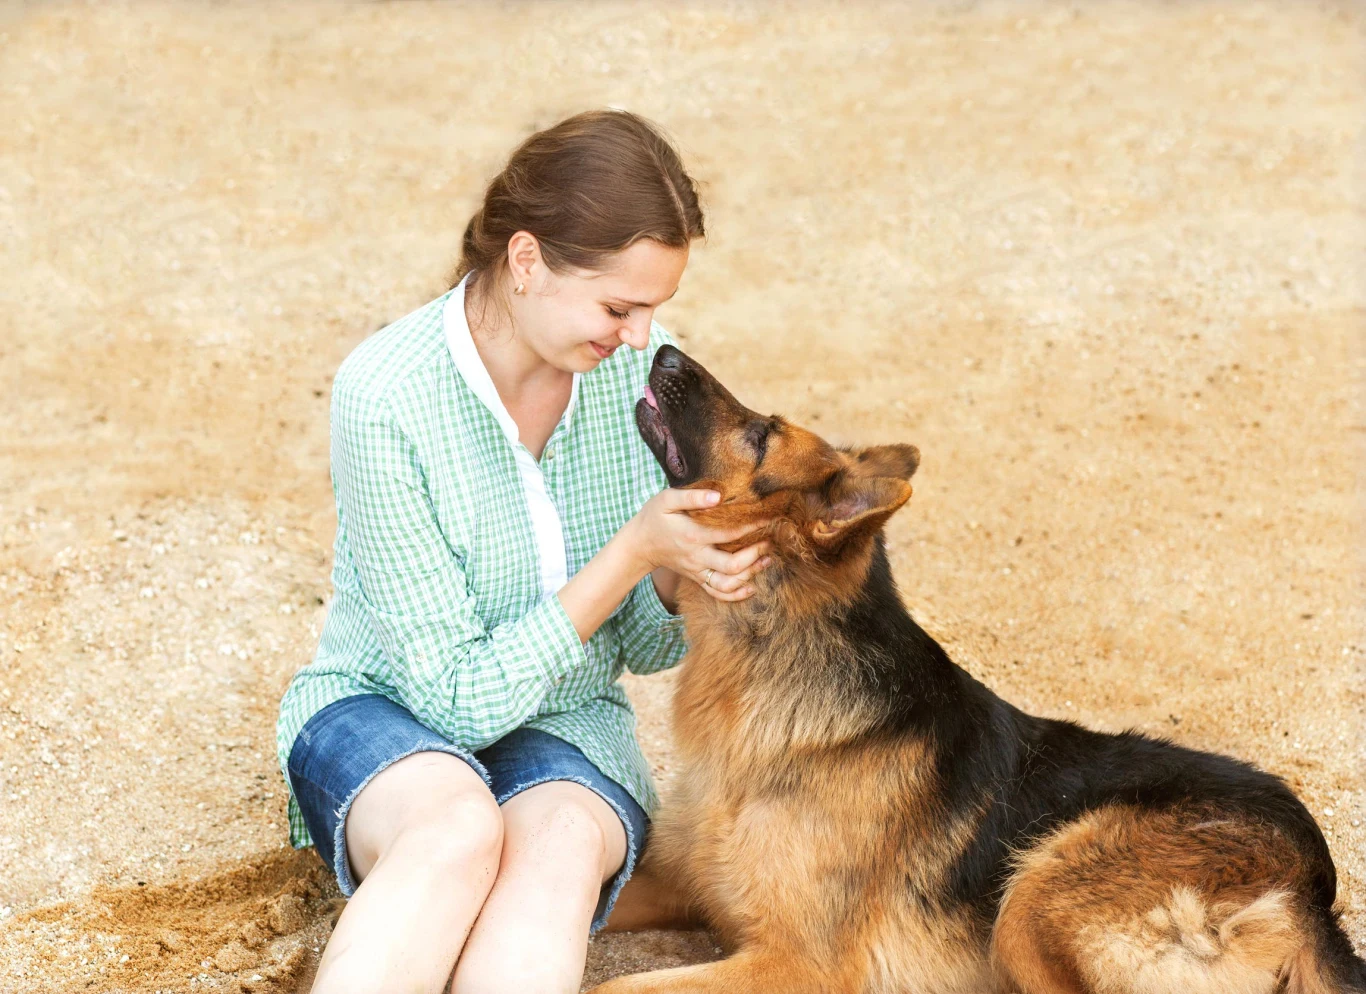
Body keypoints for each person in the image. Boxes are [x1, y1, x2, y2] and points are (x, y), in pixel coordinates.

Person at [274, 109, 770, 994]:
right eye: (619, 306)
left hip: (567, 724)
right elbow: (455, 703)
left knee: (553, 857)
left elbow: (643, 648)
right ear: (527, 259)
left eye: (654, 309)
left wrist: (677, 564)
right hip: (386, 709)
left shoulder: (627, 370)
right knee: (456, 831)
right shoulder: (386, 395)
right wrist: (632, 548)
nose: (639, 337)